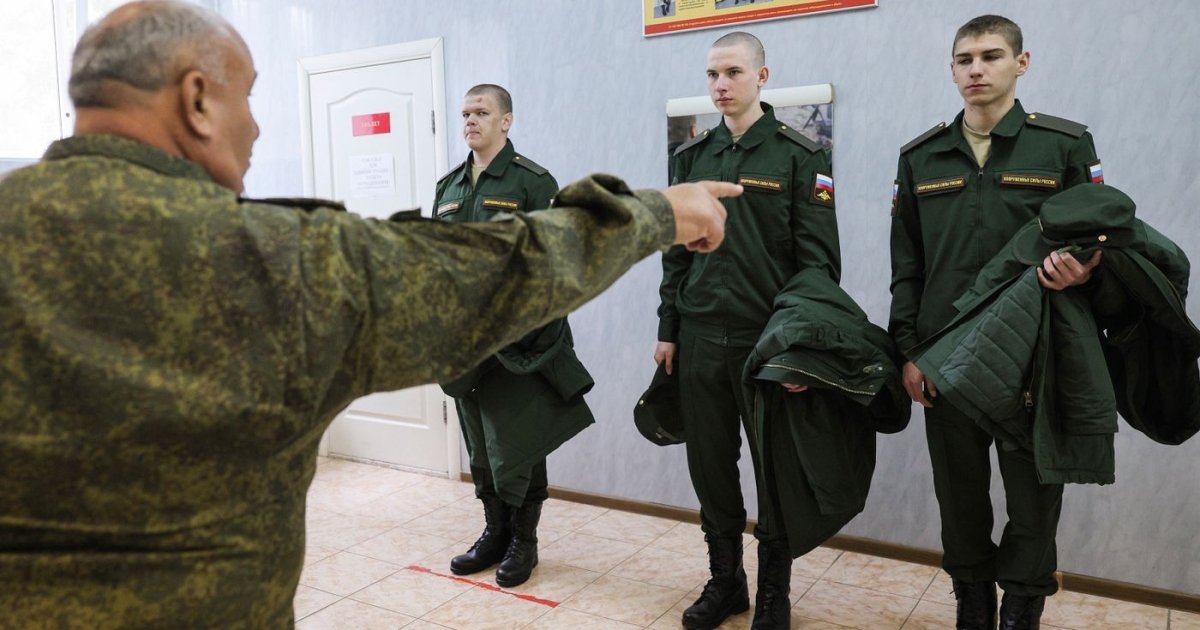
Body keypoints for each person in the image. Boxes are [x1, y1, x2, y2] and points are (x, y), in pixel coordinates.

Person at [0, 1, 737, 627]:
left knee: (515, 457)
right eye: (247, 98)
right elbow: (488, 272)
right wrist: (656, 214)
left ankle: (518, 535)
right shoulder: (280, 261)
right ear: (196, 100)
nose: (256, 128)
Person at [888, 15, 1104, 630]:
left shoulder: (1063, 145)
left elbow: (1102, 242)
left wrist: (1084, 272)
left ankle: (1022, 610)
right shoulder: (921, 156)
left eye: (990, 56)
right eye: (964, 59)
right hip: (945, 356)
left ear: (1021, 62)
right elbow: (907, 265)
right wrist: (908, 349)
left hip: (1033, 356)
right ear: (952, 69)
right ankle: (974, 606)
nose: (976, 69)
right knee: (959, 497)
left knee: (1035, 498)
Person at [657, 31, 841, 630]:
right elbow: (675, 254)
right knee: (710, 468)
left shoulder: (800, 156)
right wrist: (668, 328)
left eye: (733, 72)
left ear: (762, 77)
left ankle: (773, 594)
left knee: (774, 473)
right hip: (701, 338)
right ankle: (727, 581)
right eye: (712, 74)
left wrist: (801, 349)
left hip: (768, 343)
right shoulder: (690, 159)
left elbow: (819, 267)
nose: (720, 85)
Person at [434, 84, 593, 587]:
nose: (470, 120)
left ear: (506, 121)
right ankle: (494, 533)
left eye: (481, 112)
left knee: (521, 444)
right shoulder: (449, 187)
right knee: (480, 446)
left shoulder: (533, 183)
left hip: (518, 345)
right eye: (465, 113)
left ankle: (525, 540)